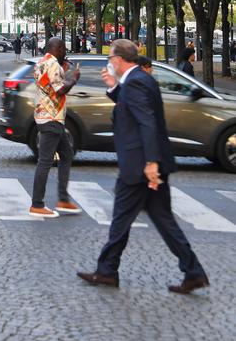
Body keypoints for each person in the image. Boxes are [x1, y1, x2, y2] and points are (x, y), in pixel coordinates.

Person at [77, 39, 209, 293]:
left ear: (118, 60)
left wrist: (150, 163)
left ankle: (107, 271)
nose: (109, 63)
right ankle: (193, 272)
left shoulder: (136, 82)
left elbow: (146, 122)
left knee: (122, 218)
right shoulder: (140, 79)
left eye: (110, 58)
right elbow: (134, 108)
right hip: (147, 162)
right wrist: (113, 87)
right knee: (163, 220)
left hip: (140, 165)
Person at [28, 36, 82, 218]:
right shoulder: (53, 65)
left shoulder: (42, 63)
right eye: (64, 49)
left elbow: (50, 85)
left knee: (66, 154)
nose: (65, 52)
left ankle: (63, 199)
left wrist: (63, 72)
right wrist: (74, 79)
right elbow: (60, 90)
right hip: (51, 117)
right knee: (45, 162)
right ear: (58, 49)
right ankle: (37, 204)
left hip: (46, 115)